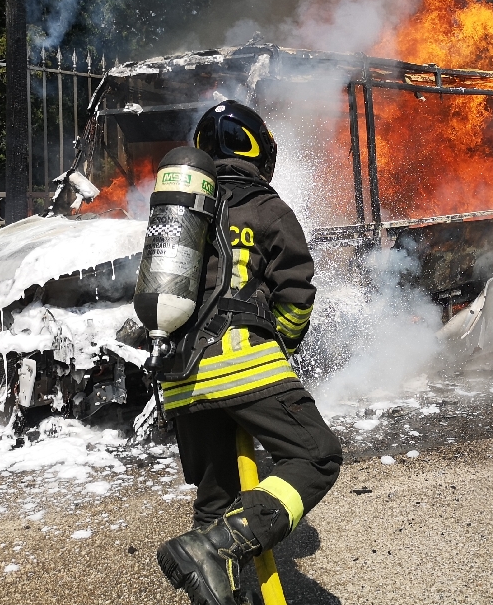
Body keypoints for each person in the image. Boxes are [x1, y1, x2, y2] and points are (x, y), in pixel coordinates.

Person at [154, 100, 342, 605]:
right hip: (245, 367)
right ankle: (216, 546)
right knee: (316, 456)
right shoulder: (268, 208)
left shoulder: (181, 213)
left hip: (179, 381)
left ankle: (213, 557)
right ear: (258, 152)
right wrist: (282, 347)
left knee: (217, 500)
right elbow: (296, 295)